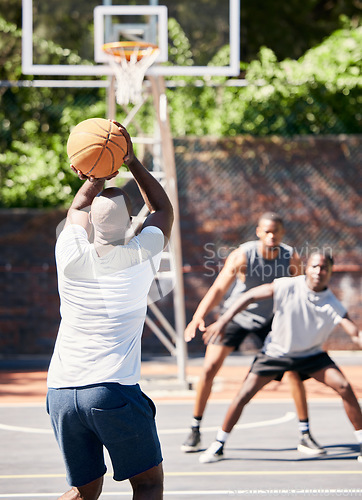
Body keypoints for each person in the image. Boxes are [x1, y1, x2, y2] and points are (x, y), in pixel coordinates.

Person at [47, 121, 173, 500]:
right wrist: (130, 160)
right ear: (130, 225)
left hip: (61, 391)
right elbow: (163, 208)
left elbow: (80, 206)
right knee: (148, 485)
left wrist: (96, 172)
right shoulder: (140, 258)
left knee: (84, 492)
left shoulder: (67, 254)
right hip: (110, 389)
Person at [198, 252, 362, 464]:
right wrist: (223, 321)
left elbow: (355, 333)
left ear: (330, 272)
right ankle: (218, 445)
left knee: (344, 387)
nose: (318, 272)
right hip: (275, 353)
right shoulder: (288, 286)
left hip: (310, 355)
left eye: (324, 268)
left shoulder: (332, 304)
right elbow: (249, 296)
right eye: (314, 266)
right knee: (243, 394)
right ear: (306, 268)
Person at [182, 212, 325, 455]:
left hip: (271, 319)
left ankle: (305, 434)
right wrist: (198, 316)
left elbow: (302, 291)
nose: (271, 236)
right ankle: (195, 429)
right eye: (267, 232)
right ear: (259, 232)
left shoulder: (290, 257)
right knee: (209, 369)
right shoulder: (242, 256)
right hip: (236, 315)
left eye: (276, 232)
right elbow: (218, 289)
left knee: (292, 370)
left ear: (282, 233)